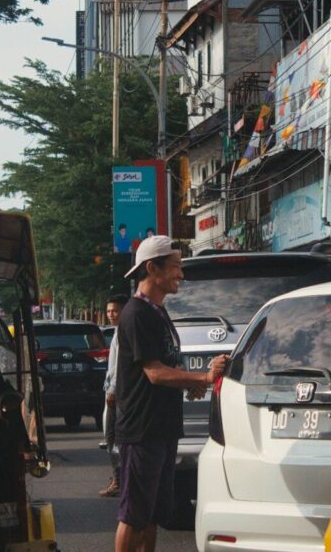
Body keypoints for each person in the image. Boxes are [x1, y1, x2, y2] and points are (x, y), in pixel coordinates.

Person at [114, 236, 228, 552]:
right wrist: (203, 376)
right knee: (134, 515)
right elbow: (154, 372)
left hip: (163, 427)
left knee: (152, 514)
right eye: (175, 266)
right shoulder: (137, 313)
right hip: (143, 429)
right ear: (152, 268)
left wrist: (190, 383)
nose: (180, 274)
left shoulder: (158, 312)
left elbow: (166, 368)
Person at [99, 294, 130, 497]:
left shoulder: (123, 333)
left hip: (117, 393)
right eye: (109, 311)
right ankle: (118, 477)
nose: (111, 315)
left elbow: (119, 366)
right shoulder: (119, 332)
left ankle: (119, 479)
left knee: (113, 437)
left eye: (115, 311)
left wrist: (112, 390)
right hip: (114, 391)